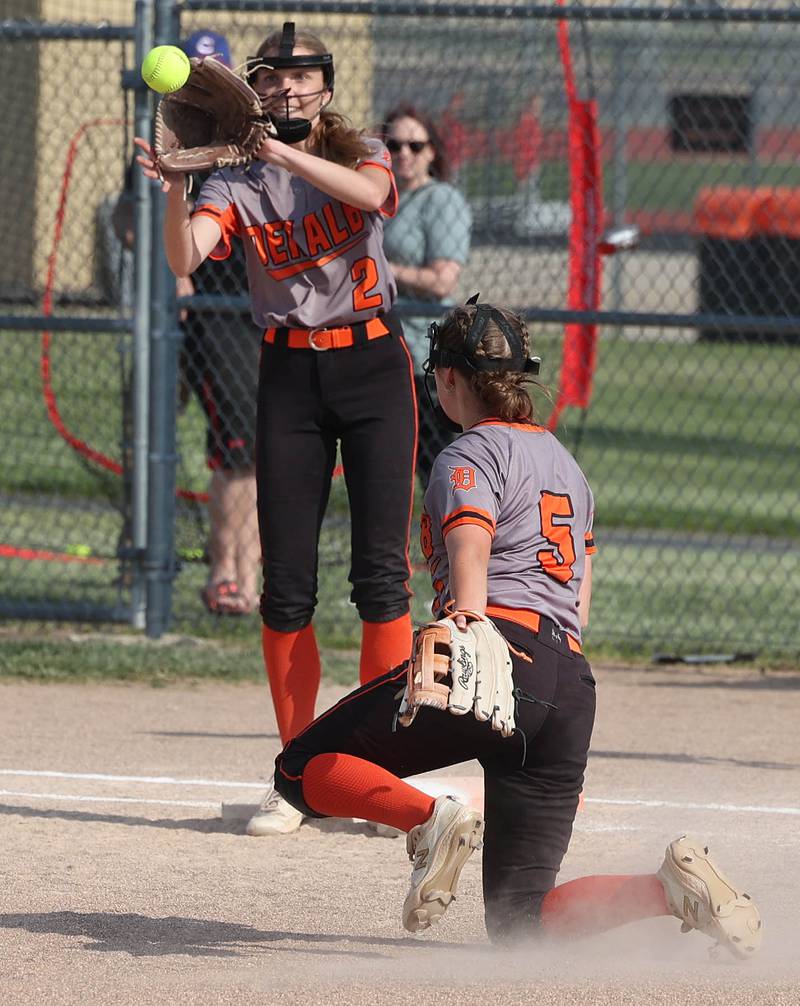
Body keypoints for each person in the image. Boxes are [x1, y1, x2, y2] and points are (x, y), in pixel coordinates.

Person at [269, 301, 762, 956]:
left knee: (300, 770)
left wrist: (469, 623)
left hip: (500, 653)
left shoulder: (464, 454)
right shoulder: (569, 466)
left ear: (447, 380)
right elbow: (577, 601)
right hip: (568, 685)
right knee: (522, 923)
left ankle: (431, 821)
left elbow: (471, 541)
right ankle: (668, 890)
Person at [135, 23, 417, 836]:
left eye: (303, 77)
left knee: (381, 577)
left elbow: (370, 198)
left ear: (326, 86)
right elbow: (187, 260)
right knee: (287, 585)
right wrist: (178, 184)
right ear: (252, 87)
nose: (288, 90)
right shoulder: (234, 177)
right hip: (289, 376)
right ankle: (297, 774)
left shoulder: (359, 147)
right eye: (272, 78)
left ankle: (376, 773)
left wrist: (278, 153)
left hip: (373, 367)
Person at [178, 30, 262, 616]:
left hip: (261, 310)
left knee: (262, 453)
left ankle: (247, 572)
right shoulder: (178, 135)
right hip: (213, 315)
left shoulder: (249, 139)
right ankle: (227, 571)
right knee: (237, 451)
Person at [381, 106, 472, 487]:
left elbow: (442, 281)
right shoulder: (381, 198)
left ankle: (458, 545)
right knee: (390, 466)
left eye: (415, 145)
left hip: (423, 354)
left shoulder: (441, 199)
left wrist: (384, 270)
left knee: (437, 467)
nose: (404, 153)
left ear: (432, 151)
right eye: (394, 144)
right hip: (385, 348)